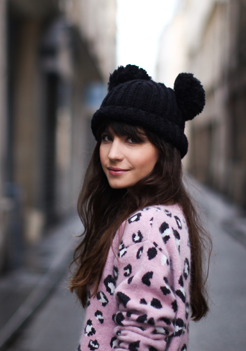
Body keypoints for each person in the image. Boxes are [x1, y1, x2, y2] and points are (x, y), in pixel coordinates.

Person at [69, 64, 211, 351]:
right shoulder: (167, 212)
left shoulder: (147, 224)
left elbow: (141, 339)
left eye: (133, 140)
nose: (113, 153)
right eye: (107, 137)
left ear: (164, 151)